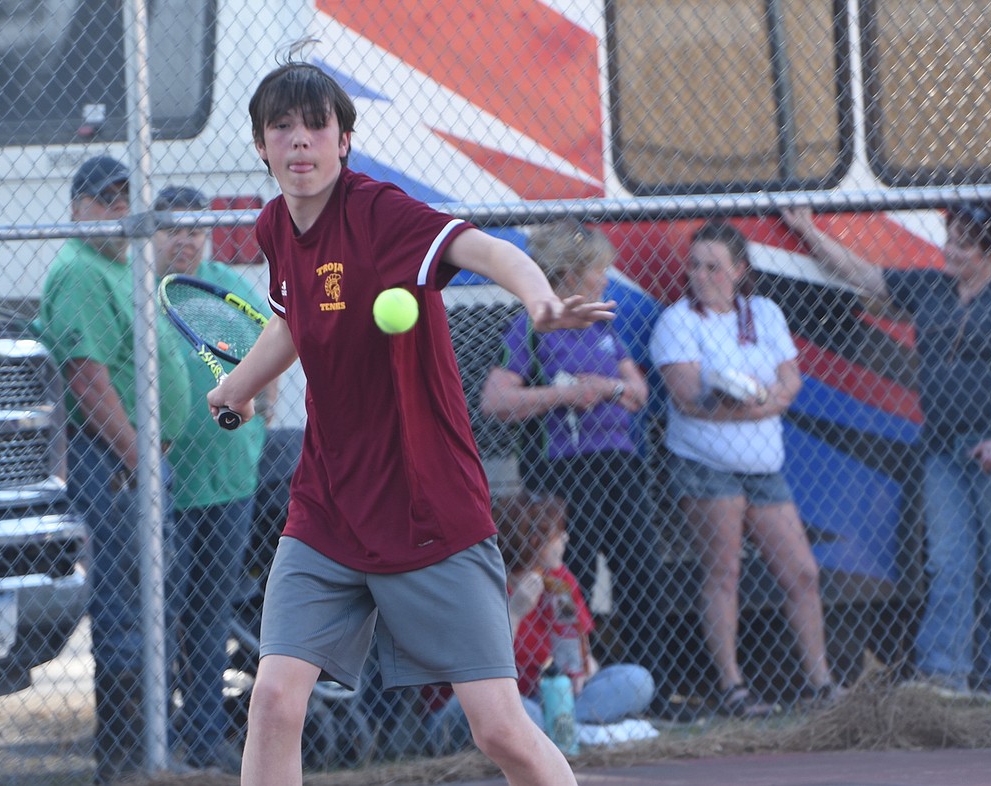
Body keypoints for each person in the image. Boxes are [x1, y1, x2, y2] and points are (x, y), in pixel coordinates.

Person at [205, 61, 614, 786]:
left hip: (429, 510)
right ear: (262, 147)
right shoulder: (274, 226)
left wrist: (538, 297)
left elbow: (484, 250)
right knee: (272, 699)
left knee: (499, 727)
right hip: (327, 510)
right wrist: (237, 387)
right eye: (282, 128)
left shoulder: (380, 215)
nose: (299, 142)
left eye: (315, 127)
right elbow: (295, 321)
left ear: (345, 141)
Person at [781, 203, 991, 701]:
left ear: (990, 252)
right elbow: (864, 273)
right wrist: (810, 232)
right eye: (951, 238)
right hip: (943, 449)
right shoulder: (932, 288)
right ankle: (944, 674)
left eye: (963, 244)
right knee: (948, 560)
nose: (949, 250)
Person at [35, 156, 191, 784]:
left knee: (160, 597)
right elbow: (87, 379)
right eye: (105, 200)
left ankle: (153, 748)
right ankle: (128, 762)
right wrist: (137, 456)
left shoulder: (124, 267)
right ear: (77, 208)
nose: (117, 210)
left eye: (126, 199)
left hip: (139, 460)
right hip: (113, 462)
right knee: (129, 601)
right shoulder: (79, 270)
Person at [648, 219, 842, 719]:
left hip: (763, 467)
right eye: (694, 265)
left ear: (740, 270)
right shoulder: (677, 321)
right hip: (707, 466)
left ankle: (821, 684)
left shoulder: (765, 313)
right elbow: (689, 399)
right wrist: (757, 406)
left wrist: (768, 399)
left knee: (802, 572)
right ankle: (733, 688)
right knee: (724, 571)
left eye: (714, 266)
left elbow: (790, 380)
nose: (701, 275)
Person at [478, 221, 675, 700]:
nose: (606, 278)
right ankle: (567, 689)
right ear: (568, 276)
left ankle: (651, 690)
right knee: (573, 575)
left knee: (641, 570)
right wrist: (563, 394)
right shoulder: (531, 325)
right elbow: (496, 400)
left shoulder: (601, 321)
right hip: (563, 471)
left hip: (619, 465)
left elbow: (638, 391)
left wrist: (606, 389)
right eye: (597, 270)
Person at [153, 185, 272, 773]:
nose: (184, 239)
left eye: (194, 228)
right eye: (172, 228)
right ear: (152, 235)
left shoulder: (230, 285)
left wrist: (260, 418)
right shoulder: (143, 292)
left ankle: (203, 739)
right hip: (164, 489)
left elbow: (270, 351)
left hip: (231, 480)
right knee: (162, 612)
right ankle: (156, 741)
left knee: (208, 611)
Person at [426, 493, 655, 753]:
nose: (566, 539)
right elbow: (480, 669)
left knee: (638, 680)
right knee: (523, 713)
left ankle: (566, 729)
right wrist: (515, 612)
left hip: (552, 699)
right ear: (532, 541)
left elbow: (583, 657)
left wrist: (584, 669)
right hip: (481, 706)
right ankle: (574, 731)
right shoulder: (481, 586)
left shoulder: (560, 580)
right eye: (558, 534)